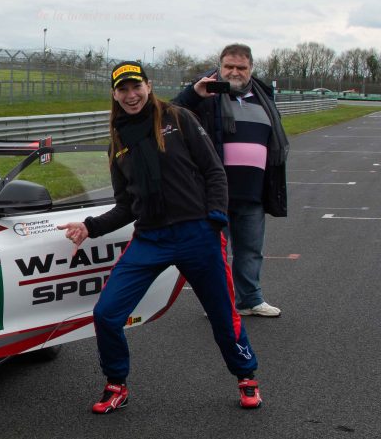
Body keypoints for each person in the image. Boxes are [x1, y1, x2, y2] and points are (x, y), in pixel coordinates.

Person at [58, 61, 262, 413]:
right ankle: (116, 384)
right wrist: (90, 226)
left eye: (136, 86)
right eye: (123, 89)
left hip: (198, 233)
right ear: (114, 94)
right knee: (106, 313)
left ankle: (246, 376)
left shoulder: (179, 119)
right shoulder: (118, 143)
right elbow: (126, 207)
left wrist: (214, 218)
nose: (131, 95)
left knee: (221, 314)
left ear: (148, 86)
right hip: (151, 238)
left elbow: (214, 171)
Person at [173, 44, 288, 318]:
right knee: (213, 254)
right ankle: (218, 304)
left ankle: (250, 300)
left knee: (250, 251)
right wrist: (193, 93)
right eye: (229, 67)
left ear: (251, 69)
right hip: (213, 194)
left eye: (241, 67)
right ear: (220, 67)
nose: (235, 72)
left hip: (253, 192)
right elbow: (169, 116)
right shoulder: (204, 96)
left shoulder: (264, 98)